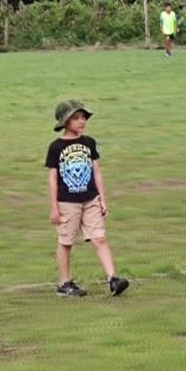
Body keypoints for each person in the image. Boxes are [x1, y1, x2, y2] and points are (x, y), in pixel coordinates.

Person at [46, 100, 129, 297]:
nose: (81, 121)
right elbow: (52, 177)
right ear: (65, 122)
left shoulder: (89, 143)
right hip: (67, 202)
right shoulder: (56, 147)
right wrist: (54, 207)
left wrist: (102, 198)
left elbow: (96, 172)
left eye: (83, 117)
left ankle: (112, 279)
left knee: (99, 237)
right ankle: (64, 282)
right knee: (66, 241)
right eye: (76, 118)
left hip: (90, 199)